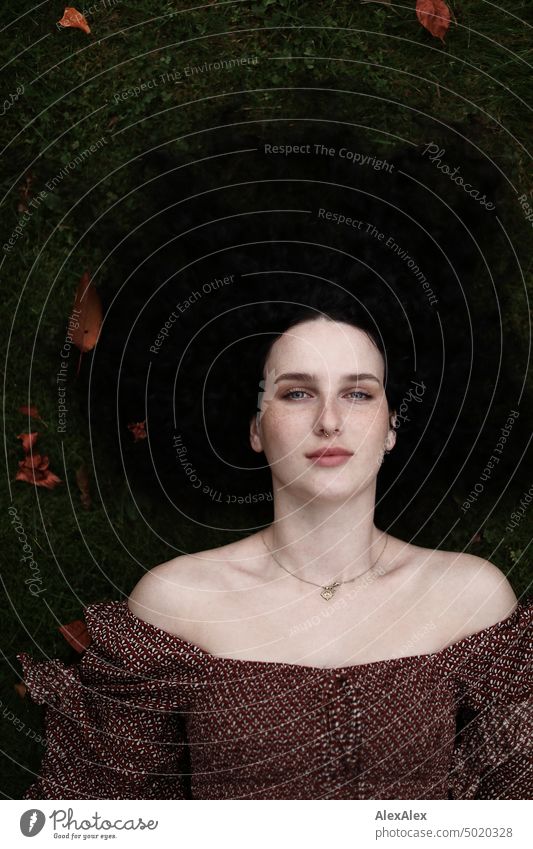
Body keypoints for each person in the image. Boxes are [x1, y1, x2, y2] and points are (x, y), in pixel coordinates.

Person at [17, 301, 532, 800]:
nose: (329, 421)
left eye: (358, 394)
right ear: (255, 429)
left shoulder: (469, 598)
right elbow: (98, 821)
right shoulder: (176, 601)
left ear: (392, 427)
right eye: (297, 394)